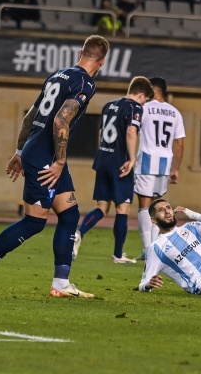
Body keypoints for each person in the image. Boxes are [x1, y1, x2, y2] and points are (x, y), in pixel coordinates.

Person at [0, 35, 110, 298]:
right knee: (34, 222)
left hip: (38, 151)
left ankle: (61, 284)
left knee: (69, 214)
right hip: (46, 157)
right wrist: (60, 160)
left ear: (80, 53)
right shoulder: (86, 83)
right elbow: (61, 119)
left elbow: (31, 114)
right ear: (103, 61)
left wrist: (20, 150)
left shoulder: (58, 75)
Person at [73, 77, 154, 264]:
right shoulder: (135, 107)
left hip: (103, 160)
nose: (143, 104)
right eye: (145, 100)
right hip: (120, 164)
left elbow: (101, 133)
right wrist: (132, 159)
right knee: (122, 208)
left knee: (101, 208)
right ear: (141, 94)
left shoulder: (109, 105)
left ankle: (78, 233)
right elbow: (131, 132)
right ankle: (118, 255)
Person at [134, 77, 185, 261]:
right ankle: (154, 248)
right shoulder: (175, 113)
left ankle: (149, 250)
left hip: (147, 161)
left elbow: (132, 132)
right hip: (165, 164)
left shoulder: (144, 108)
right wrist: (176, 169)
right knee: (157, 207)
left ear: (152, 90)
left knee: (144, 206)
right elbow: (179, 143)